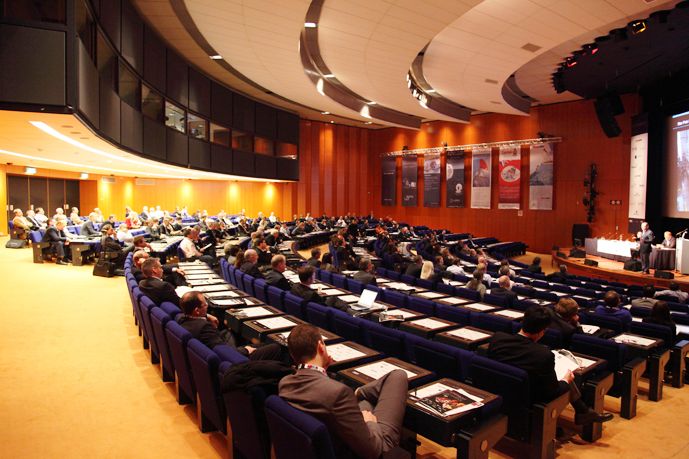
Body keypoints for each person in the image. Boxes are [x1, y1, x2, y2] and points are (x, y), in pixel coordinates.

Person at [279, 324, 408, 458]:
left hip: (330, 442)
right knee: (398, 375)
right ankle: (358, 393)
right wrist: (370, 423)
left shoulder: (285, 383)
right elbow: (373, 450)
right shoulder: (338, 393)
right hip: (375, 448)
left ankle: (358, 393)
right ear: (321, 346)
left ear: (292, 355)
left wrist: (323, 371)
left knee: (366, 402)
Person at [488, 306, 613, 425]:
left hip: (499, 387)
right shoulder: (543, 355)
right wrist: (565, 380)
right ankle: (583, 412)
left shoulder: (497, 338)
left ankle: (583, 411)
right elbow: (552, 392)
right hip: (526, 397)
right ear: (542, 332)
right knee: (567, 378)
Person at [177, 291, 282, 360]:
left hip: (217, 345)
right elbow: (224, 352)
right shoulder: (204, 327)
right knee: (275, 347)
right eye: (205, 305)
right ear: (197, 311)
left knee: (229, 331)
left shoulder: (181, 319)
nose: (207, 306)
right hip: (234, 360)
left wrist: (207, 315)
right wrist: (246, 350)